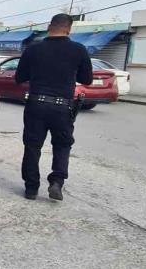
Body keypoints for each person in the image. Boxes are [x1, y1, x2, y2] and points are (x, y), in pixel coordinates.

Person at [15, 13, 92, 201]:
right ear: (69, 29)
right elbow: (86, 80)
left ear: (50, 26)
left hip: (36, 104)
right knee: (62, 145)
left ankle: (31, 189)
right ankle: (57, 182)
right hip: (62, 107)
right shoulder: (78, 50)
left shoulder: (33, 49)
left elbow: (19, 78)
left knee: (32, 146)